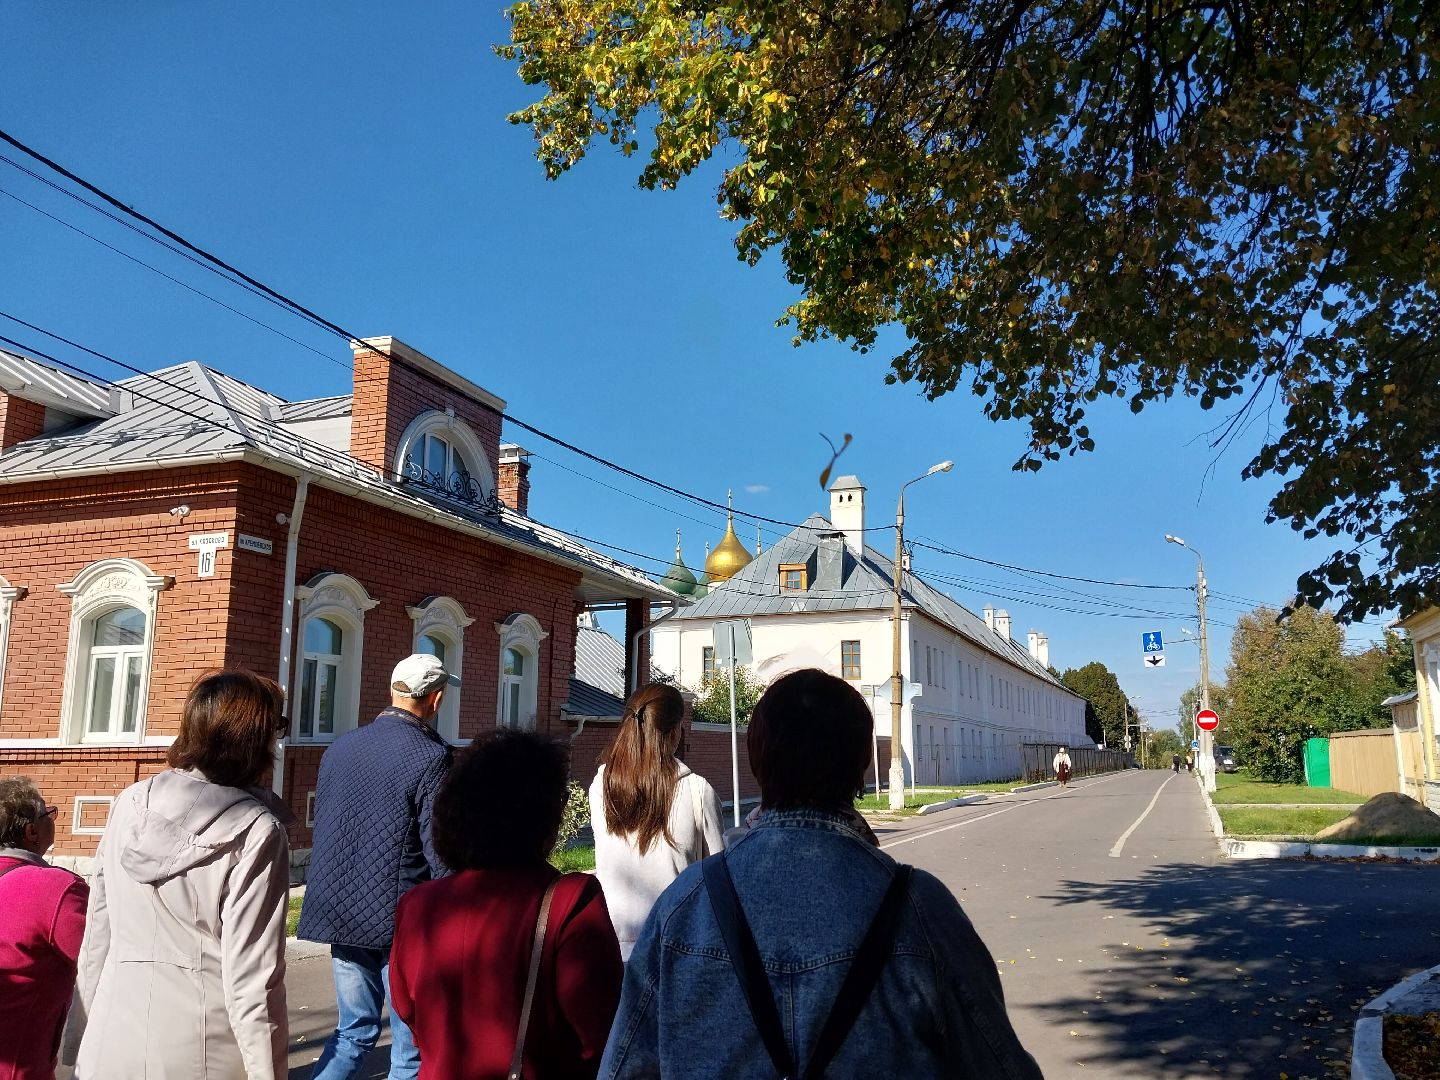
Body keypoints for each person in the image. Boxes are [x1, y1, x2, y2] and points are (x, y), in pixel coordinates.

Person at [599, 669, 1043, 1079]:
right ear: (860, 768)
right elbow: (1000, 1065)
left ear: (757, 762)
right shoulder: (918, 906)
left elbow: (623, 1069)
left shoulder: (682, 908)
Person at [68, 670, 293, 1079]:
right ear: (257, 737)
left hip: (111, 1039)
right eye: (277, 727)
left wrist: (76, 1035)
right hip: (202, 1048)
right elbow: (253, 978)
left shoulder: (129, 803)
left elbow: (98, 932)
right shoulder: (257, 829)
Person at [390, 730, 623, 1079]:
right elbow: (606, 1037)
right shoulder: (571, 901)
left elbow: (409, 1013)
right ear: (543, 813)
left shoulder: (417, 905)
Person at [299, 653, 455, 1080]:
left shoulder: (341, 746)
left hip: (340, 909)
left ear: (393, 690)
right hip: (399, 918)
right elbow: (438, 847)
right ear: (436, 699)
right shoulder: (431, 756)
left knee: (353, 1033)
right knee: (410, 1047)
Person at [588, 682, 723, 960]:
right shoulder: (698, 791)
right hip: (678, 950)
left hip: (612, 949)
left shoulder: (601, 786)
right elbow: (717, 881)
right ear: (674, 732)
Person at [0, 778, 88, 1080]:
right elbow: (99, 961)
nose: (53, 818)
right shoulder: (56, 889)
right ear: (31, 831)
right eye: (48, 813)